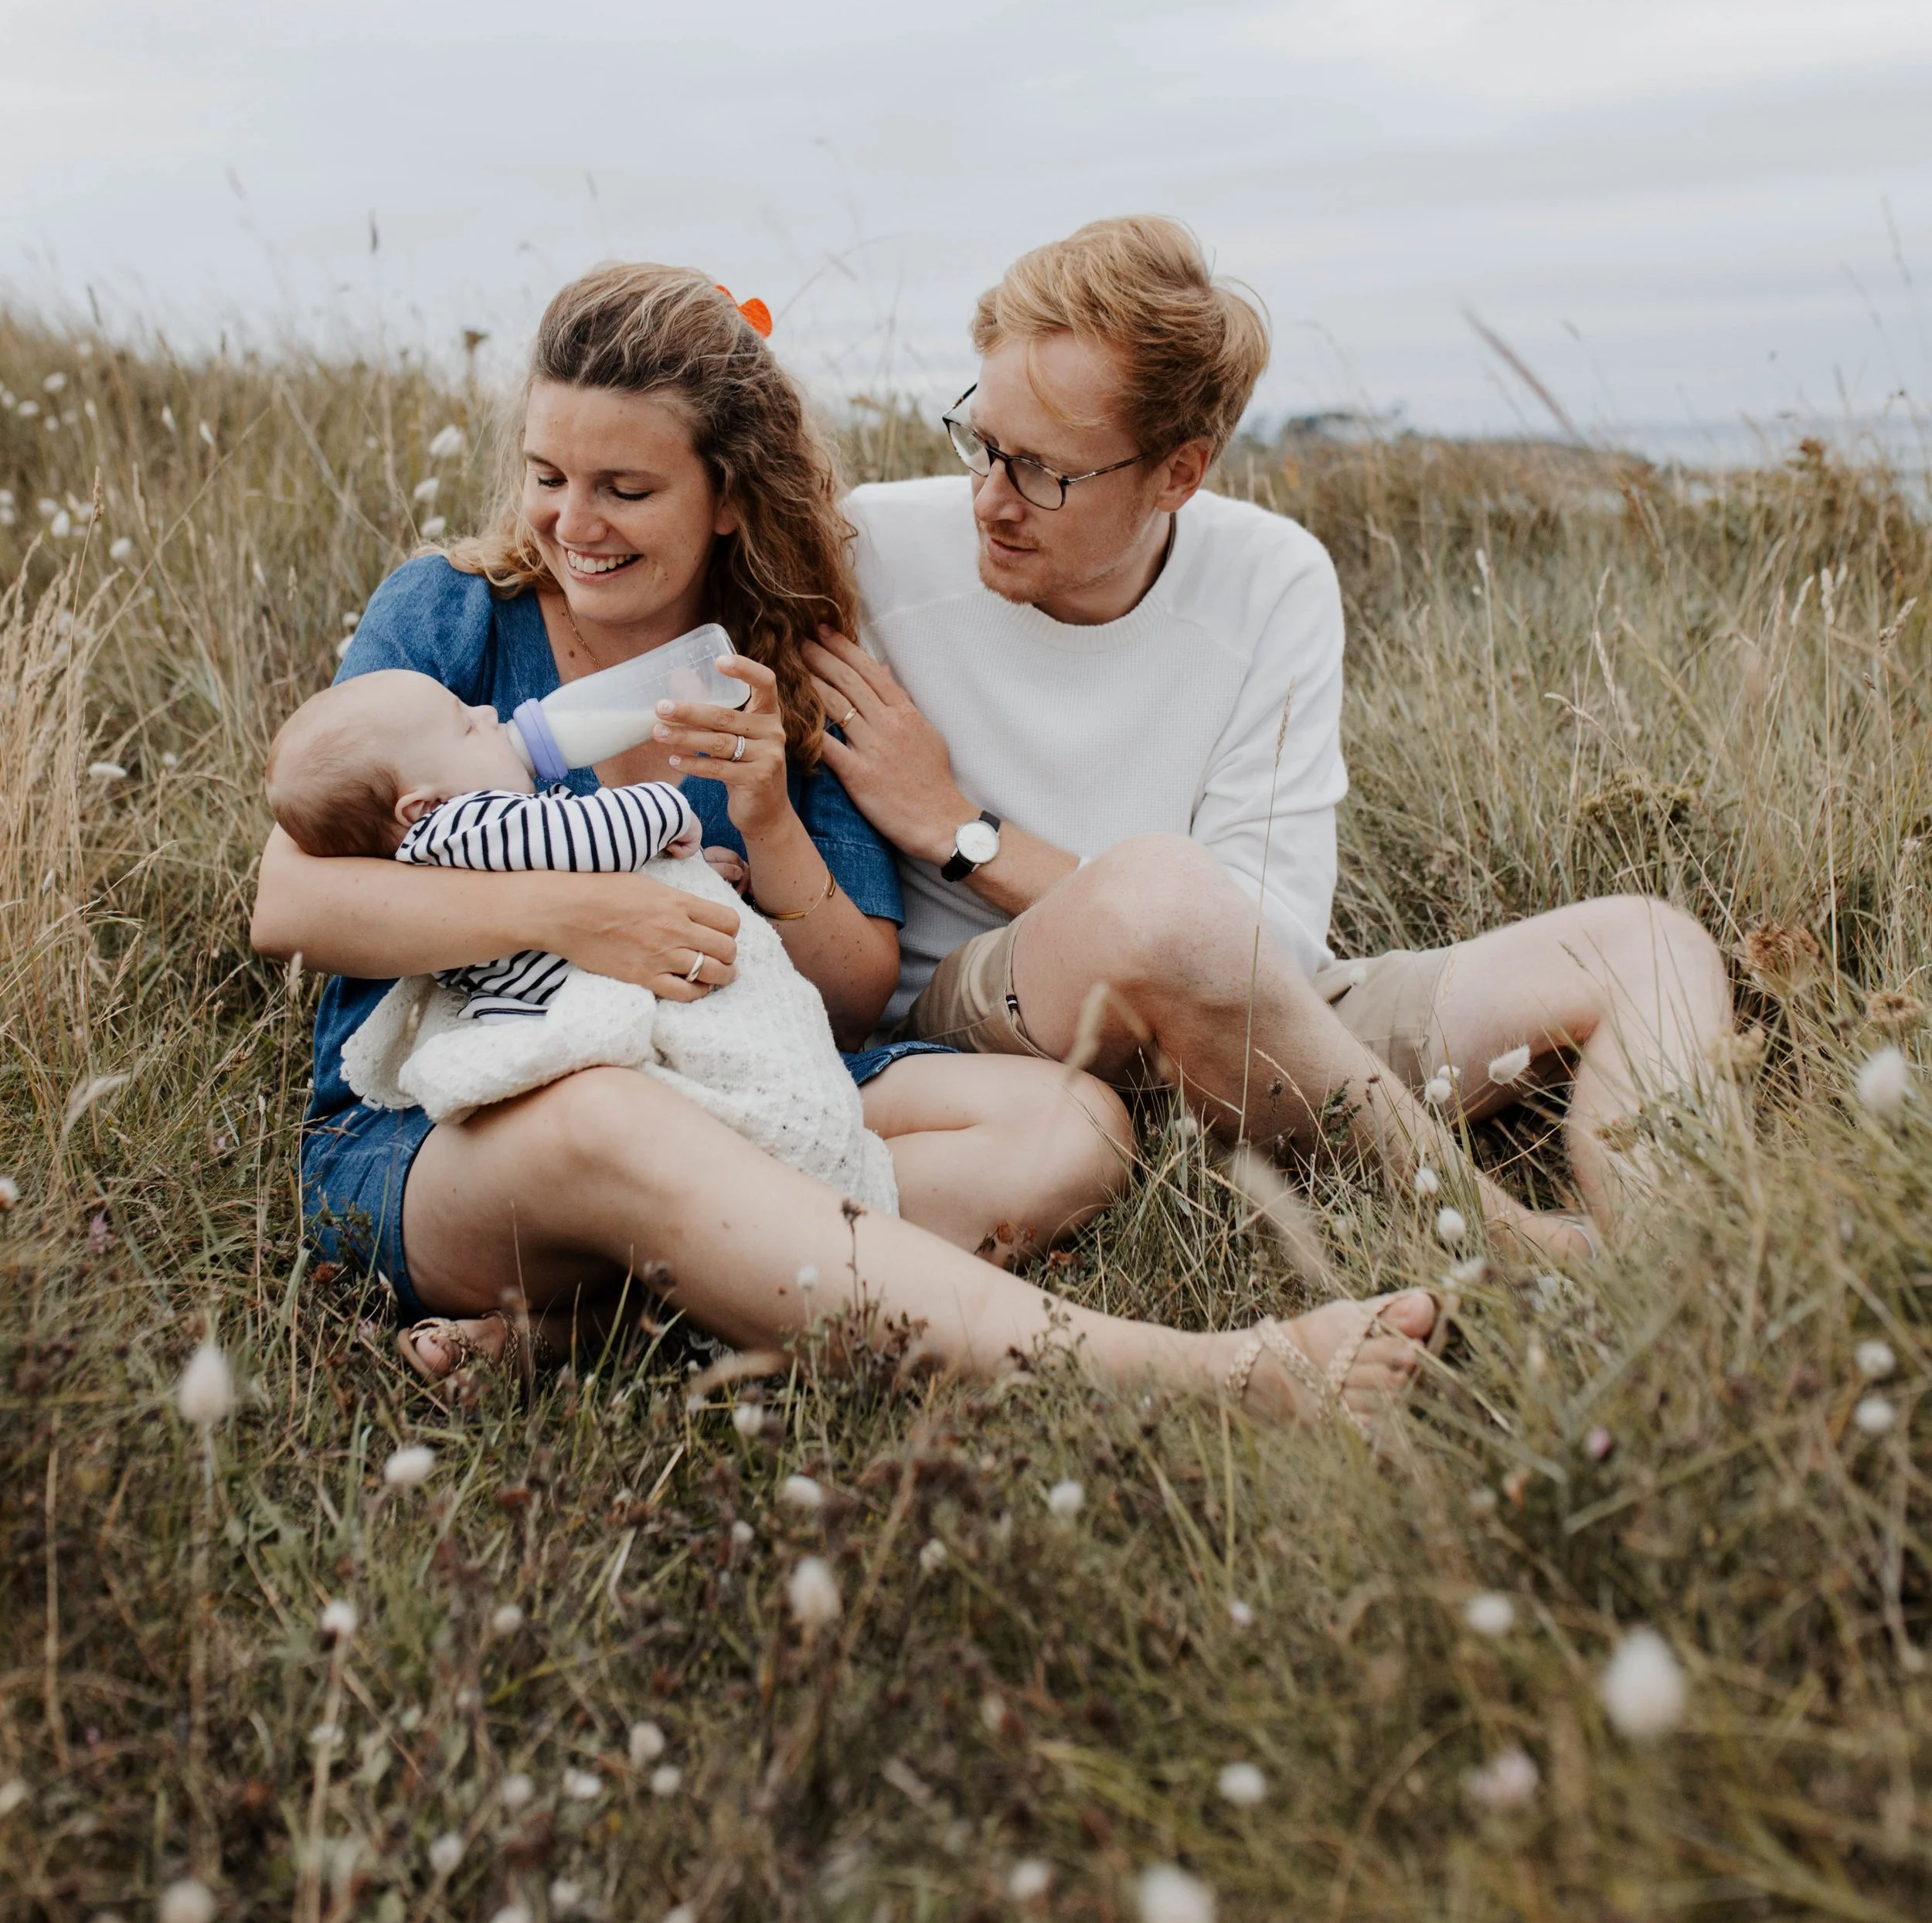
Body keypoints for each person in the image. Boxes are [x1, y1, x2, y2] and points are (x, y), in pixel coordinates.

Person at [249, 262, 1437, 1423]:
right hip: (439, 1140)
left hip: (741, 1088)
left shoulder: (784, 654)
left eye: (625, 487)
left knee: (1073, 1125)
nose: (572, 522)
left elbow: (855, 1001)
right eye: (548, 474)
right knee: (607, 1116)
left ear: (726, 495)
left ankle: (612, 1316)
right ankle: (1216, 1376)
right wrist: (581, 917)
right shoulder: (452, 613)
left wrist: (767, 816)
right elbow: (292, 902)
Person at [814, 216, 1732, 1253]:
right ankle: (1503, 1241)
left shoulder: (1272, 577)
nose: (990, 498)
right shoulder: (871, 549)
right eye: (980, 441)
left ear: (1178, 474)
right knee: (1159, 890)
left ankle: (1673, 1260)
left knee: (1647, 945)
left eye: (1044, 471)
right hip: (990, 1032)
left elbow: (1270, 943)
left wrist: (961, 829)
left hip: (1257, 1027)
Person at [261, 669, 895, 1216]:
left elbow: (592, 860)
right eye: (465, 727)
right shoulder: (460, 828)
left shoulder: (475, 831)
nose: (489, 713)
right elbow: (592, 833)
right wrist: (663, 813)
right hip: (567, 1051)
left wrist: (695, 868)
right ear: (417, 808)